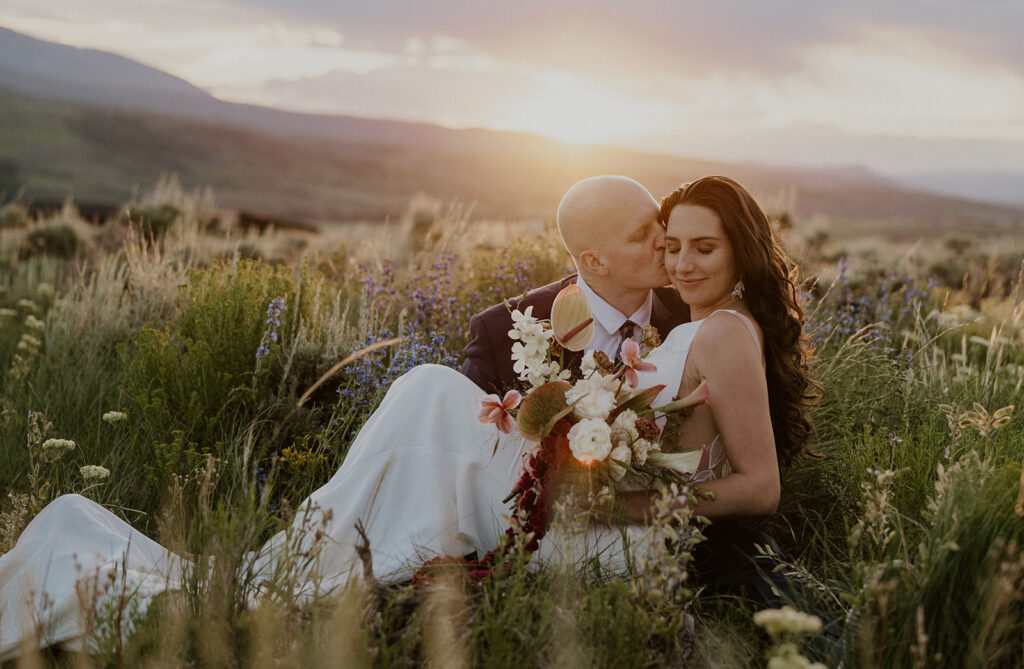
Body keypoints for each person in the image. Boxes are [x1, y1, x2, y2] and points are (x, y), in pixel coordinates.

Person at [0, 175, 814, 660]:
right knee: (430, 394)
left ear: (734, 249)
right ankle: (325, 555)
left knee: (429, 395)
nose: (675, 259)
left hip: (608, 524)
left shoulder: (704, 319)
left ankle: (336, 560)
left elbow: (749, 475)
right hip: (555, 499)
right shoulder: (518, 325)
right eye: (661, 241)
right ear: (591, 260)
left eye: (693, 246)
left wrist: (617, 497)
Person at [462, 175, 689, 394]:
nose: (665, 239)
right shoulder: (504, 333)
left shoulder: (692, 316)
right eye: (641, 235)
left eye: (660, 223)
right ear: (596, 262)